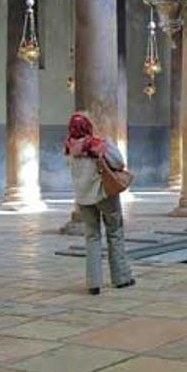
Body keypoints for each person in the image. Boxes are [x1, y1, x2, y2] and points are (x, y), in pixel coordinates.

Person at [65, 112, 134, 295]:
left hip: (83, 198)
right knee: (115, 232)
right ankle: (121, 278)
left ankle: (93, 283)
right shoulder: (99, 144)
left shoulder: (69, 147)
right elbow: (119, 163)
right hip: (104, 194)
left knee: (92, 237)